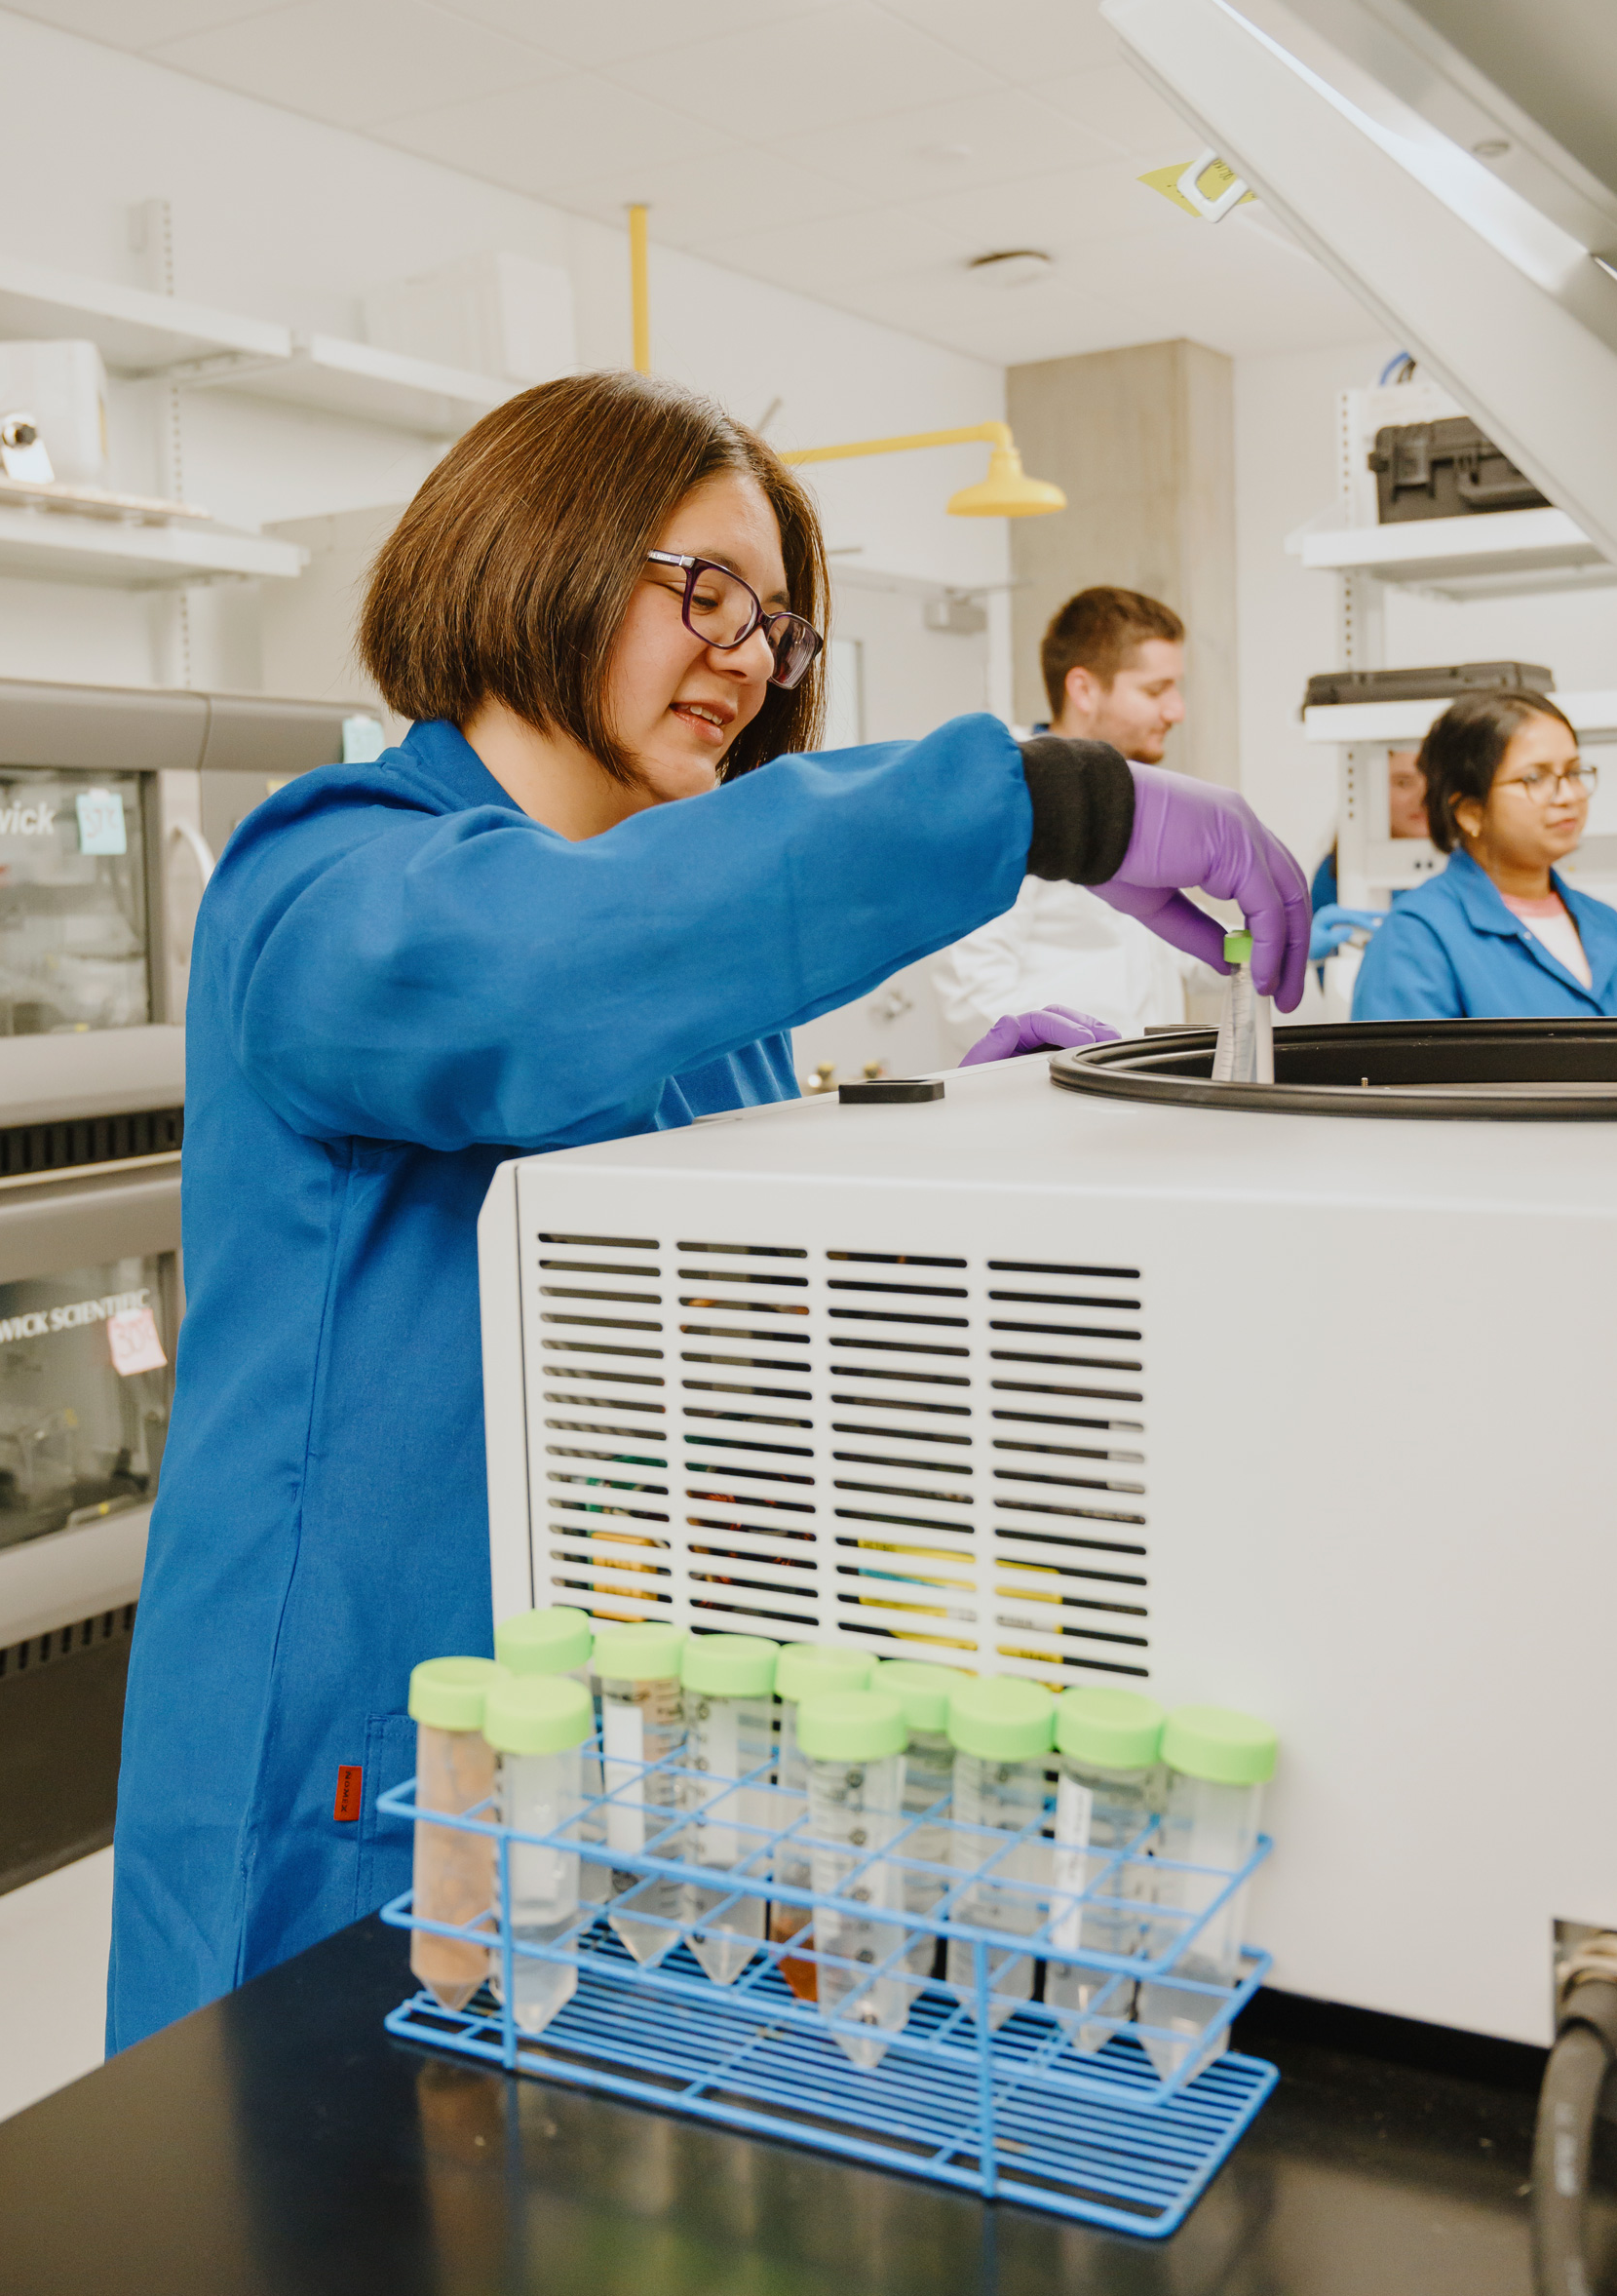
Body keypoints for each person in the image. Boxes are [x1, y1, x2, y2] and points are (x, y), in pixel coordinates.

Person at [105, 372, 1308, 2053]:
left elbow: (736, 1327)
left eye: (781, 626)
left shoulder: (707, 985)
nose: (751, 655)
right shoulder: (328, 880)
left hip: (625, 1735)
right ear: (540, 553)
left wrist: (968, 1134)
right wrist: (1050, 800)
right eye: (710, 592)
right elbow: (532, 972)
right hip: (358, 1718)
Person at [932, 587, 1207, 1046]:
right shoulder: (1005, 797)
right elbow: (973, 996)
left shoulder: (1132, 794)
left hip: (1143, 1080)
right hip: (1055, 1094)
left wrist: (1256, 947)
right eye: (1156, 690)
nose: (1176, 710)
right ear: (1083, 689)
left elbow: (1157, 952)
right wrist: (1077, 1053)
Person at [1352, 687, 1617, 1018]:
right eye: (1534, 778)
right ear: (1470, 812)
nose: (1568, 796)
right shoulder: (1417, 938)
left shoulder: (1606, 923)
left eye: (1574, 772)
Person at [1310, 747, 1429, 968]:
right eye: (1404, 782)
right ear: (1373, 789)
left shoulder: (1475, 867)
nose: (1422, 796)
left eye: (1434, 781)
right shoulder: (1338, 873)